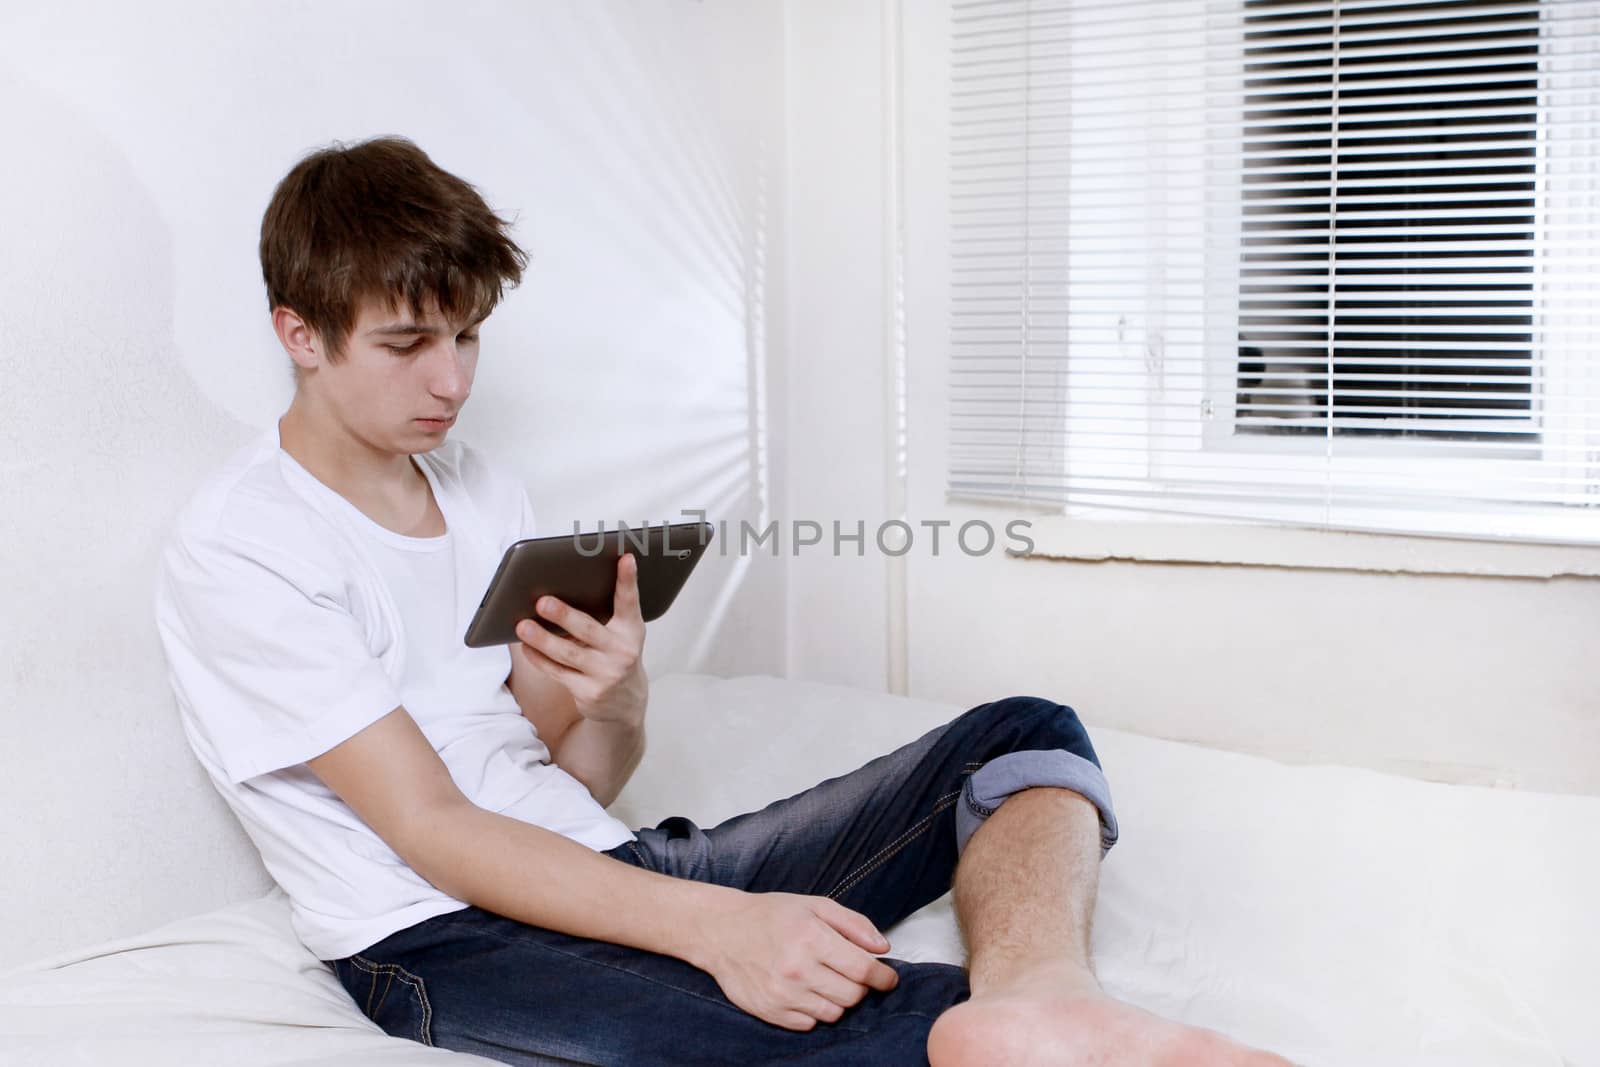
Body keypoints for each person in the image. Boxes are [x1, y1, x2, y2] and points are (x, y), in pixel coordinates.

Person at [155, 136, 1291, 1067]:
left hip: (603, 863)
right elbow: (436, 830)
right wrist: (722, 926)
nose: (451, 381)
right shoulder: (244, 545)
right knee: (858, 1011)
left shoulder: (480, 488)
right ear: (299, 333)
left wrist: (613, 695)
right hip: (437, 934)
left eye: (465, 337)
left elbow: (566, 780)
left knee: (1024, 734)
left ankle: (1044, 994)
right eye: (407, 343)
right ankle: (1031, 1036)